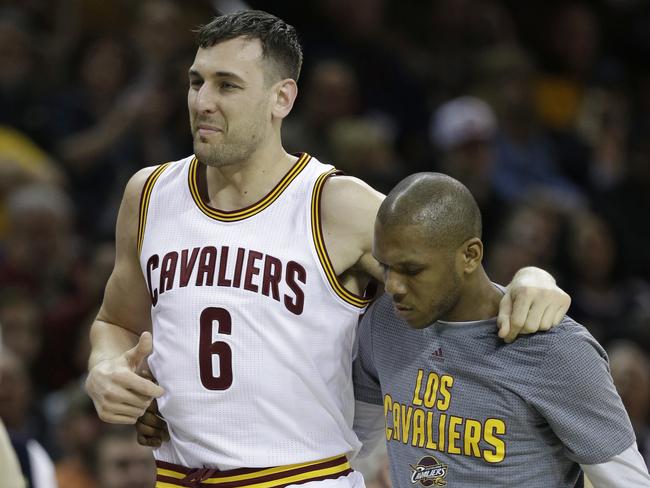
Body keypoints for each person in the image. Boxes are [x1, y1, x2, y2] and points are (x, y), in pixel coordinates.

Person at [84, 10, 570, 487]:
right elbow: (117, 321)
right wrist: (105, 367)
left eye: (227, 85)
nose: (203, 101)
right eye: (196, 82)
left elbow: (459, 284)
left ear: (282, 98)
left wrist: (532, 278)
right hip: (178, 476)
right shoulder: (148, 194)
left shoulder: (336, 204)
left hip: (301, 477)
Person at [352, 172, 650, 487]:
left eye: (412, 270)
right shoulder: (385, 321)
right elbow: (350, 445)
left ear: (470, 255)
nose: (393, 286)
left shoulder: (555, 349)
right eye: (385, 266)